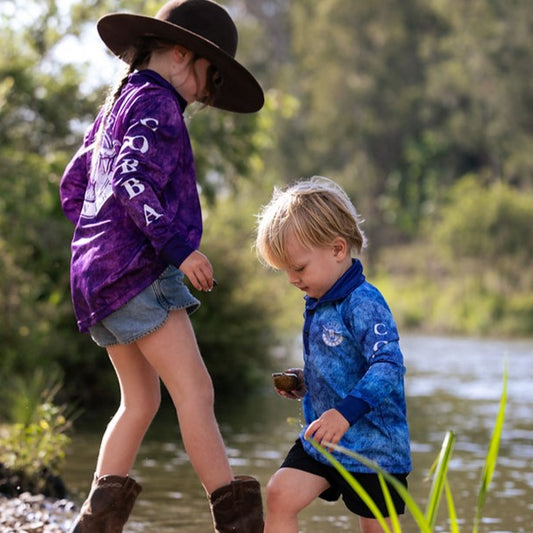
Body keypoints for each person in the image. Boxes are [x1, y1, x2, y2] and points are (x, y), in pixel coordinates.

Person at [59, 1, 264, 532]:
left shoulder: (118, 104)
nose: (206, 92)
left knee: (141, 400)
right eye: (208, 75)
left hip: (96, 274)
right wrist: (178, 248)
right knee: (196, 392)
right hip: (135, 270)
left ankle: (93, 525)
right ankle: (237, 523)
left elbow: (74, 186)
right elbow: (130, 176)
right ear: (180, 54)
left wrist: (97, 243)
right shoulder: (159, 104)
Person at [255, 176, 412, 533]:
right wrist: (307, 381)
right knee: (280, 493)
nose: (293, 279)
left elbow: (389, 366)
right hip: (325, 443)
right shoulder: (318, 301)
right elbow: (342, 364)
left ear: (338, 250)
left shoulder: (364, 303)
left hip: (374, 450)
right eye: (285, 272)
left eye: (299, 268)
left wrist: (344, 413)